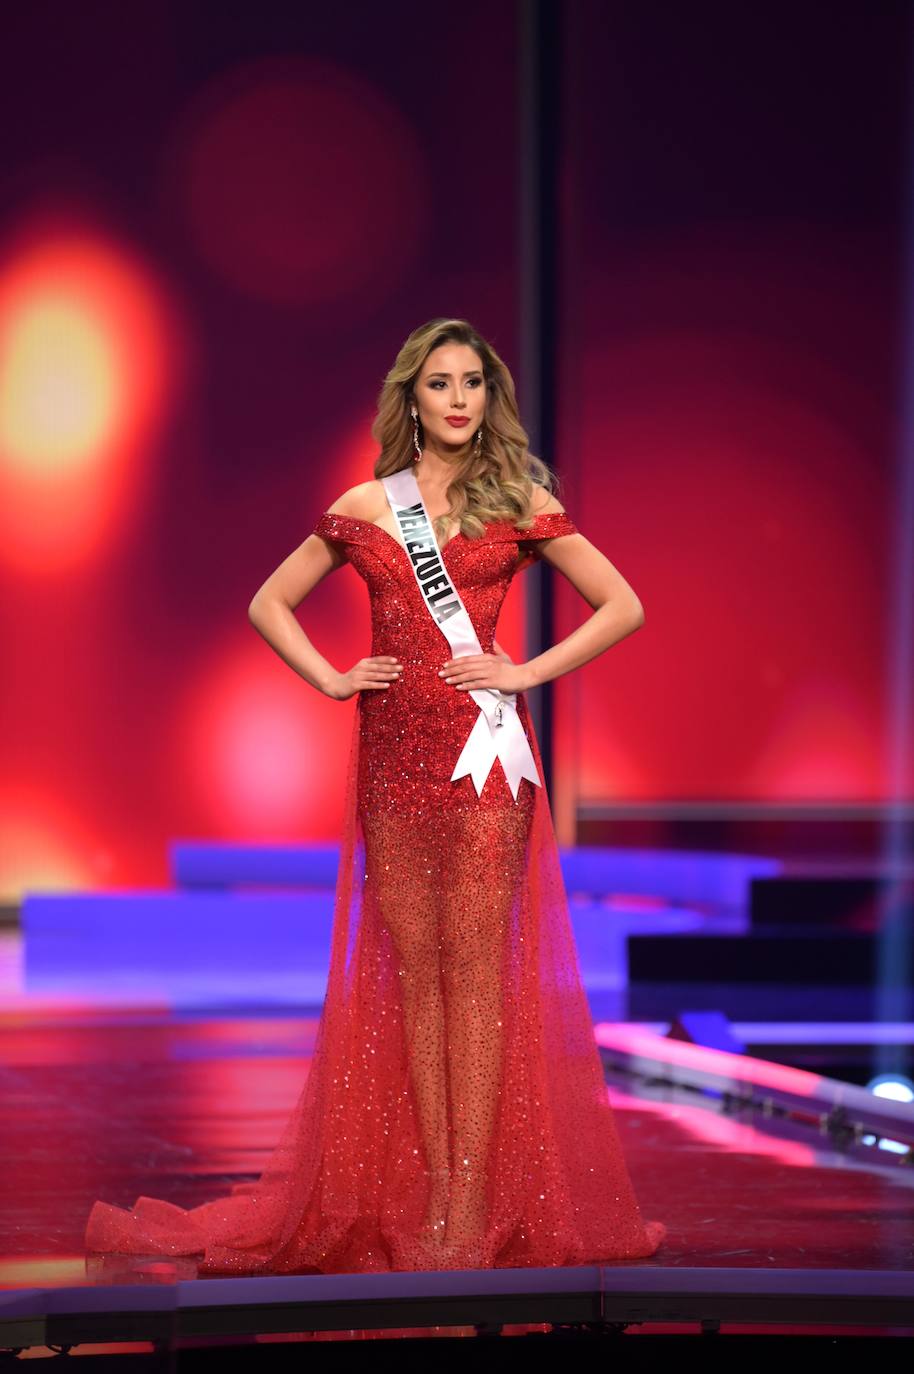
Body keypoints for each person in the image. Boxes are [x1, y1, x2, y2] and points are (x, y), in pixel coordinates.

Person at [85, 317, 665, 1274]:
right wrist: (330, 677)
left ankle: (469, 1207)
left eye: (473, 382)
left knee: (477, 983)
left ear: (491, 396)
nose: (458, 399)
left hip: (483, 768)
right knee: (417, 980)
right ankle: (437, 1193)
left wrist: (526, 674)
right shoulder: (366, 504)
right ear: (412, 397)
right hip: (393, 766)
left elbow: (623, 604)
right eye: (440, 383)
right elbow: (269, 601)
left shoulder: (517, 500)